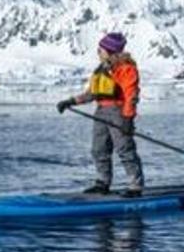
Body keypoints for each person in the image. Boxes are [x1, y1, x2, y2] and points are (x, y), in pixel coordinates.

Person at [57, 31, 144, 196]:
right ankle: (102, 182)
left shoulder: (126, 69)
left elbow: (131, 96)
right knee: (99, 149)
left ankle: (135, 185)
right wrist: (71, 101)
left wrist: (127, 118)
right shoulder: (101, 69)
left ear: (110, 51)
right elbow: (92, 94)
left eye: (101, 50)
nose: (98, 52)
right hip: (101, 112)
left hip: (119, 112)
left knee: (125, 149)